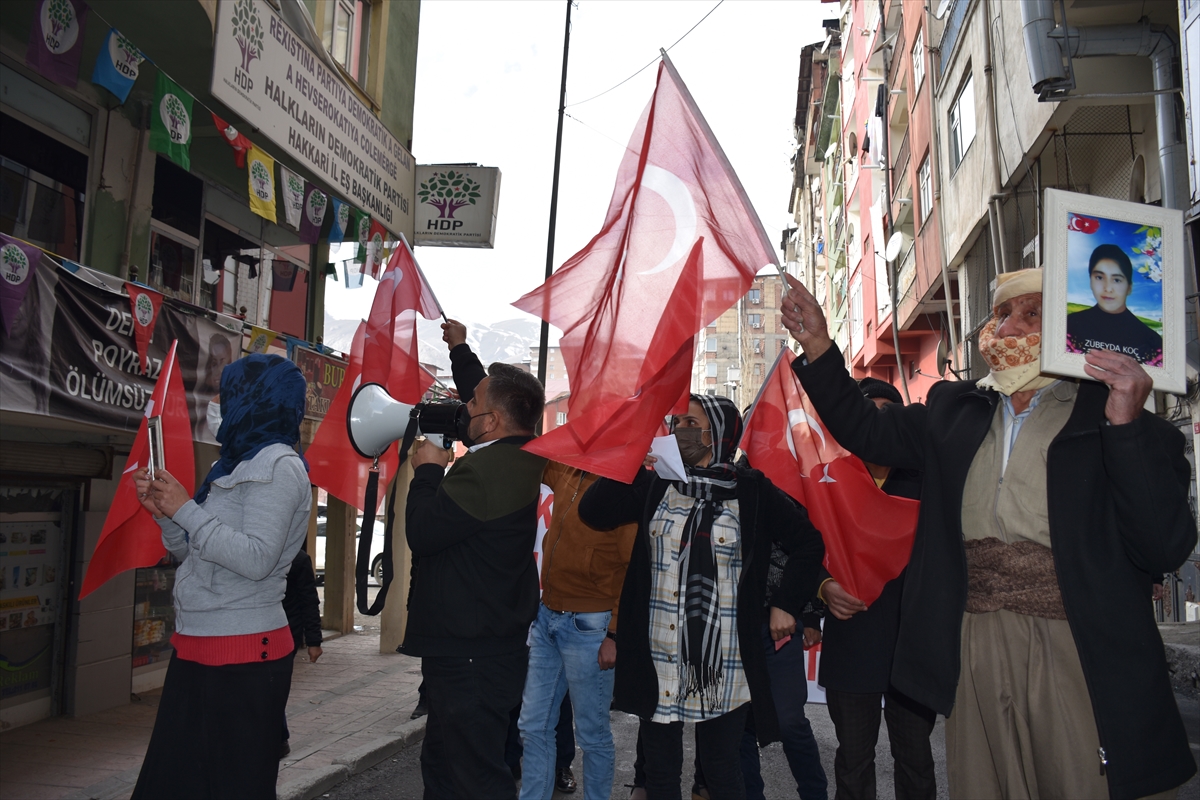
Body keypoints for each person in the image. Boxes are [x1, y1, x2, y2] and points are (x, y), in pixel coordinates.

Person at [781, 268, 1197, 799]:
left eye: (1030, 313)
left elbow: (1164, 544)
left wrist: (1127, 429)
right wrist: (818, 344)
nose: (1008, 327)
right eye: (1000, 314)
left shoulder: (1117, 415)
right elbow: (867, 430)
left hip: (1077, 647)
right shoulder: (955, 410)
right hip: (975, 644)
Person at [579, 394, 825, 800]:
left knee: (720, 770)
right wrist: (630, 460)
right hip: (658, 652)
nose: (679, 429)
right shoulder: (657, 481)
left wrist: (785, 602)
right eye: (676, 422)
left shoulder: (753, 490)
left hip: (725, 660)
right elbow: (595, 512)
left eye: (690, 422)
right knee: (659, 770)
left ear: (718, 431)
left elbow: (808, 544)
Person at [131, 353, 313, 799]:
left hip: (245, 655)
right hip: (196, 643)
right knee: (173, 783)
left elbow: (257, 559)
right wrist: (167, 515)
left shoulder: (279, 465)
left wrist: (187, 510)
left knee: (233, 785)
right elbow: (189, 551)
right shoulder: (227, 463)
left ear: (253, 398)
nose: (216, 403)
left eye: (224, 393)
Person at [402, 327, 547, 800]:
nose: (464, 409)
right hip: (483, 648)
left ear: (493, 422)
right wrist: (460, 350)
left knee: (474, 776)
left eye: (472, 406)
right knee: (447, 768)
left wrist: (426, 471)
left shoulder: (486, 471)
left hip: (470, 655)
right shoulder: (522, 456)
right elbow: (485, 392)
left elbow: (422, 533)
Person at [815, 377, 935, 800]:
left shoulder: (928, 479)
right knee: (853, 762)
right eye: (870, 413)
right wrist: (823, 586)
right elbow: (802, 547)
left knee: (916, 760)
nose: (880, 422)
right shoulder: (829, 482)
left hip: (911, 648)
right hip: (853, 643)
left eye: (889, 413)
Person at [517, 458, 638, 800]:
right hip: (547, 617)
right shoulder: (567, 470)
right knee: (532, 725)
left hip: (591, 626)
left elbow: (632, 570)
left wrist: (613, 633)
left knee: (592, 736)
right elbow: (531, 456)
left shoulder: (621, 487)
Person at [1066, 243, 1163, 365]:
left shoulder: (1151, 341)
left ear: (1129, 287)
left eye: (1116, 280)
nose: (1108, 288)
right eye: (1099, 277)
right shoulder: (1070, 325)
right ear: (1090, 280)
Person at [280, 546, 323, 758]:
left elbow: (309, 599)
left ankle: (280, 738)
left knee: (276, 687)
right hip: (257, 631)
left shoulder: (298, 559)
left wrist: (314, 640)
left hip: (287, 634)